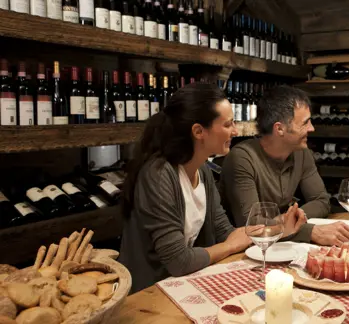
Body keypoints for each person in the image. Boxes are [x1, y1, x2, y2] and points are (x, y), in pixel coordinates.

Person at [119, 83, 306, 293]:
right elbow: (179, 260)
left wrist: (278, 230)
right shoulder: (159, 174)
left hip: (181, 285)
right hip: (147, 296)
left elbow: (225, 232)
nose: (235, 131)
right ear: (199, 131)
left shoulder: (203, 171)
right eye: (228, 125)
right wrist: (230, 246)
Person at [219, 85, 349, 246]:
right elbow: (251, 225)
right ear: (280, 129)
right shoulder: (242, 158)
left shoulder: (301, 152)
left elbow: (321, 200)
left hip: (279, 243)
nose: (312, 128)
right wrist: (308, 231)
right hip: (241, 251)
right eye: (305, 123)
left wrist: (294, 218)